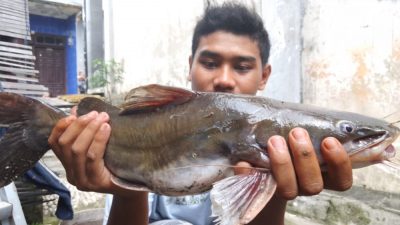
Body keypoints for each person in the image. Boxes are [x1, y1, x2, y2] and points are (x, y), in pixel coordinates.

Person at [48, 3, 353, 225]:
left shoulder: (271, 155)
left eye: (242, 66)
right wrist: (127, 191)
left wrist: (275, 192)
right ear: (190, 65)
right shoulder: (149, 125)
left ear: (264, 76)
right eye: (209, 63)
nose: (224, 79)